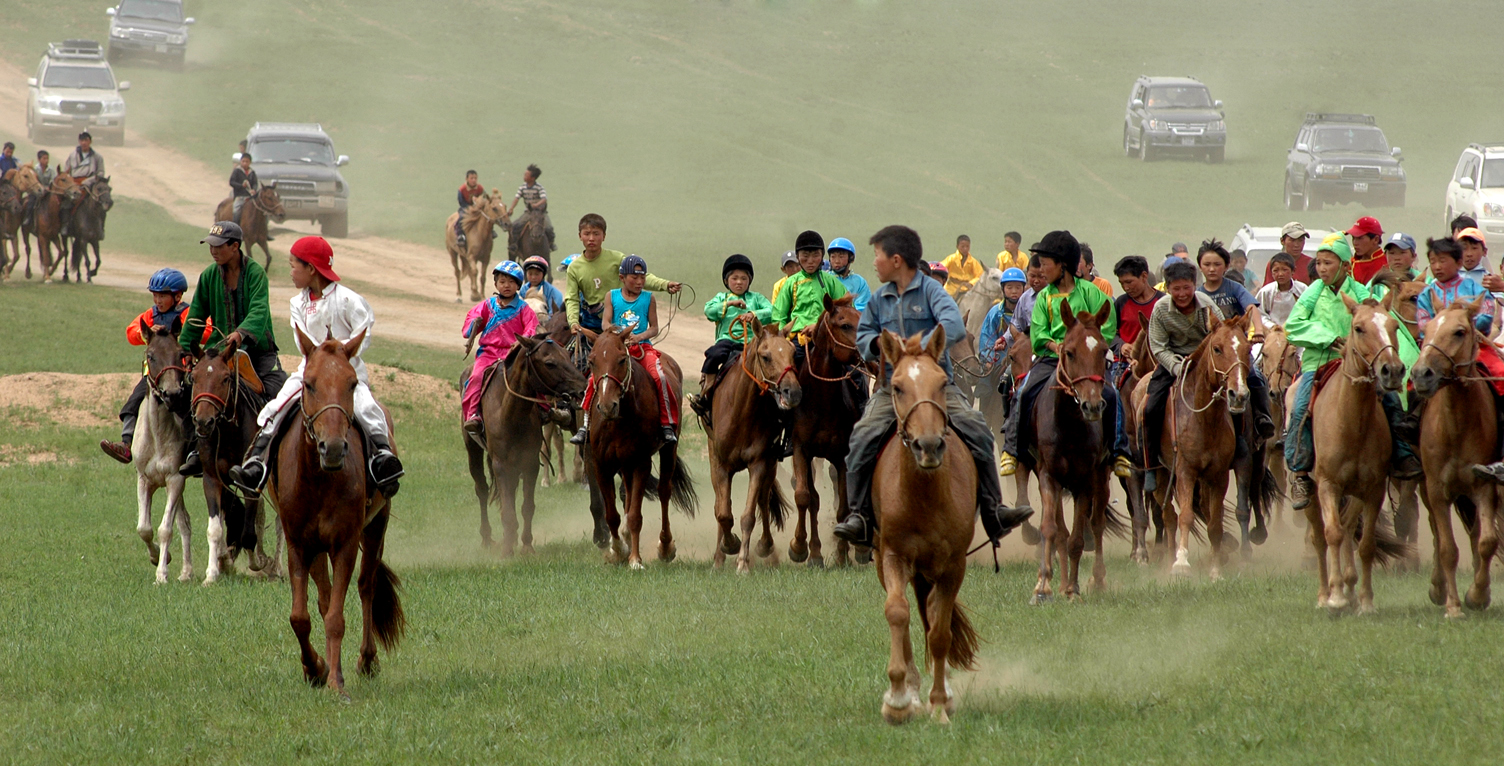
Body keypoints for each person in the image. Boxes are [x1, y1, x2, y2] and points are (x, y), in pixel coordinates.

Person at [831, 224, 1031, 549]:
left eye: (878, 256)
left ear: (896, 260)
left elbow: (952, 326)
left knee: (977, 429)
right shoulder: (879, 299)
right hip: (892, 390)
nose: (874, 263)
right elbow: (865, 335)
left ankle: (993, 511)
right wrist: (877, 346)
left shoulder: (931, 292)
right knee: (862, 437)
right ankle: (860, 517)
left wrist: (915, 346)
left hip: (939, 388)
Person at [229, 237, 404, 494]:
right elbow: (304, 344)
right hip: (309, 373)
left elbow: (364, 331)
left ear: (311, 269)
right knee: (275, 408)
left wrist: (341, 352)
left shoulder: (348, 299)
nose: (290, 273)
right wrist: (321, 358)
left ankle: (382, 458)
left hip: (345, 373)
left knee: (367, 407)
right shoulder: (297, 303)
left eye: (293, 266)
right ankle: (257, 464)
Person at [1283, 237, 1422, 509]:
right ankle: (1300, 473)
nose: (1321, 269)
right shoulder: (1314, 293)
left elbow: (1376, 315)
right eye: (1319, 263)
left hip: (1360, 363)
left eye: (1328, 262)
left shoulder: (1359, 292)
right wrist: (1329, 337)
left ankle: (1402, 455)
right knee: (1300, 408)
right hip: (1319, 362)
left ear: (1345, 265)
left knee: (1392, 401)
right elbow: (1293, 325)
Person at [998, 230, 1131, 479]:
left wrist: (1086, 345)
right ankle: (1012, 449)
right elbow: (1038, 333)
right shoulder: (1044, 297)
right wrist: (1055, 347)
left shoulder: (1091, 293)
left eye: (1046, 264)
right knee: (1025, 390)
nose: (1042, 270)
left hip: (1088, 360)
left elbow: (1108, 324)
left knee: (1112, 394)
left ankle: (1119, 451)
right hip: (1052, 359)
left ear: (1062, 265)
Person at [176, 222, 287, 476]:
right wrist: (185, 351)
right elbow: (196, 316)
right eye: (210, 246)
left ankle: (273, 450)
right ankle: (195, 449)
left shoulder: (257, 273)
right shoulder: (208, 276)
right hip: (219, 352)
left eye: (218, 246)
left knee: (277, 391)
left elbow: (259, 311)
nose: (213, 251)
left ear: (235, 246)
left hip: (258, 350)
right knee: (190, 390)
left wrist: (241, 332)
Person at [99, 269, 213, 464]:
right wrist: (146, 333)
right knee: (133, 402)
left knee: (188, 406)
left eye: (162, 296)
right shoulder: (151, 315)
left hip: (182, 373)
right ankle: (126, 443)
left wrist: (179, 333)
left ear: (177, 296)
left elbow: (207, 330)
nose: (158, 300)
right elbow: (131, 331)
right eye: (155, 296)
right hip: (154, 376)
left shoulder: (187, 313)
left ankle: (194, 451)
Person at [572, 255, 681, 445]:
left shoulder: (649, 298)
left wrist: (638, 337)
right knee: (593, 379)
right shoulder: (611, 296)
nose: (639, 282)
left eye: (642, 278)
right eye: (634, 278)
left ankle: (666, 424)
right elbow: (605, 321)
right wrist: (618, 334)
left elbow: (654, 328)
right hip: (616, 348)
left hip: (642, 347)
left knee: (660, 376)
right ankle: (586, 425)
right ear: (622, 278)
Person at [1140, 261, 1221, 487]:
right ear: (1167, 288)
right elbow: (1157, 346)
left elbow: (1221, 336)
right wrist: (1177, 366)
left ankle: (1243, 443)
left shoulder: (1207, 305)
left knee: (1239, 391)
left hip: (1206, 363)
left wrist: (1207, 361)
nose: (1182, 294)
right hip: (1173, 364)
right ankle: (1151, 464)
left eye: (1186, 288)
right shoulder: (1160, 310)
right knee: (1150, 407)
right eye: (1176, 289)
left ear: (1194, 286)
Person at [563, 213, 681, 341]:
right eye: (587, 234)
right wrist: (573, 322)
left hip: (620, 323)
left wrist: (665, 285)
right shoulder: (574, 268)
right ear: (580, 236)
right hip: (592, 326)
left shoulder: (617, 258)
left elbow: (639, 277)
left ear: (604, 236)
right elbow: (572, 299)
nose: (591, 238)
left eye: (596, 234)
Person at [460, 260, 539, 438]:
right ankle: (473, 414)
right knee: (476, 376)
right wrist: (474, 324)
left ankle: (544, 408)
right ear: (496, 283)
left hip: (514, 354)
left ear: (518, 285)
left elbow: (531, 328)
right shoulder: (487, 306)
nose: (507, 286)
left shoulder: (524, 309)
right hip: (489, 353)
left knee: (534, 375)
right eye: (502, 282)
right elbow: (472, 320)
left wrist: (522, 341)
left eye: (511, 282)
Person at [693, 253, 775, 418]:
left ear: (749, 281)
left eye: (744, 278)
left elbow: (772, 311)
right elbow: (709, 311)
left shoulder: (756, 298)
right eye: (735, 278)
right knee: (714, 354)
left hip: (753, 343)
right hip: (728, 341)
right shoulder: (721, 297)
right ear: (726, 281)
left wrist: (753, 313)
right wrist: (729, 304)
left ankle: (776, 400)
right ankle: (706, 391)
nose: (739, 282)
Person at [770, 230, 847, 337]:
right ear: (797, 257)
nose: (810, 261)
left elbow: (846, 311)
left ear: (822, 256)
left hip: (827, 336)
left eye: (815, 255)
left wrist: (820, 326)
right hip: (797, 338)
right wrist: (783, 339)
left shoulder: (831, 282)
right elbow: (778, 317)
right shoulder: (791, 283)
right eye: (805, 256)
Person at [1415, 236, 1494, 336]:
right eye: (1433, 262)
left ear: (1459, 263)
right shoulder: (1426, 294)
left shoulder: (1473, 288)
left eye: (1442, 261)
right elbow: (1423, 323)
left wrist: (1461, 328)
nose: (1437, 267)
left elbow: (1486, 314)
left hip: (1472, 342)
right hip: (1436, 345)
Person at [58, 132, 105, 238]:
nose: (84, 143)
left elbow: (101, 172)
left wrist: (89, 180)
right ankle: (65, 225)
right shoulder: (72, 155)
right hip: (74, 183)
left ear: (90, 142)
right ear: (79, 142)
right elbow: (67, 170)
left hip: (89, 185)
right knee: (66, 203)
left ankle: (100, 228)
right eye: (82, 141)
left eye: (86, 140)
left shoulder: (97, 157)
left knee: (100, 204)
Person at [1112, 255, 1163, 350]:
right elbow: (1110, 333)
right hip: (1124, 362)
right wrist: (1122, 346)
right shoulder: (1121, 303)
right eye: (1121, 283)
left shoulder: (1163, 303)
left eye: (1129, 282)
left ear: (1144, 276)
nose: (1125, 288)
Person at [979, 268, 1027, 365]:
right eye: (1009, 288)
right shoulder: (995, 313)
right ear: (1003, 289)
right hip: (999, 361)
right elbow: (986, 340)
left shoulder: (1029, 311)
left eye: (1018, 288)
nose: (1014, 291)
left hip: (1025, 359)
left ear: (1023, 289)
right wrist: (989, 360)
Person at [507, 163, 556, 255]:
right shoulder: (522, 187)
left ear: (532, 178)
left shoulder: (539, 187)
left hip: (540, 212)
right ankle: (514, 244)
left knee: (549, 227)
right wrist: (511, 208)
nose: (524, 176)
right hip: (529, 212)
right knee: (516, 226)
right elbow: (517, 198)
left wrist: (536, 205)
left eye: (526, 175)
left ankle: (551, 243)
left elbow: (544, 199)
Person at [1255, 253, 1308, 328]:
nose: (1280, 274)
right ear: (1271, 273)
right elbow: (1259, 313)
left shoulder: (1302, 289)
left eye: (1284, 270)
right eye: (1276, 271)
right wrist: (1272, 326)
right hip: (1272, 330)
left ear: (1293, 271)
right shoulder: (1266, 291)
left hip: (1296, 329)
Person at [1456, 227, 1504, 302]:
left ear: (1484, 252)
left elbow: (1499, 303)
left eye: (1474, 248)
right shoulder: (1451, 276)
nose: (1469, 254)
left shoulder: (1488, 280)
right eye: (1464, 248)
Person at [826, 237, 871, 312]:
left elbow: (864, 308)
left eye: (841, 257)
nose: (837, 261)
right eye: (833, 257)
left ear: (851, 258)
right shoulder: (825, 279)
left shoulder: (859, 282)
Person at [1347, 216, 1388, 284]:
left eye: (1360, 238)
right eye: (1353, 238)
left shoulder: (1388, 264)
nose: (1355, 243)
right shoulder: (1350, 264)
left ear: (1376, 239)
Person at [21, 150, 54, 230]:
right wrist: (40, 187)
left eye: (47, 158)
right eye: (44, 158)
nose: (46, 160)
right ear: (39, 159)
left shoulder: (51, 169)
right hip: (37, 190)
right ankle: (28, 218)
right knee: (31, 201)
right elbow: (34, 180)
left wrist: (49, 187)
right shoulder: (35, 169)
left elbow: (53, 180)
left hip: (48, 191)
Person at [454, 169, 486, 249]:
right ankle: (460, 235)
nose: (473, 180)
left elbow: (485, 198)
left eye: (475, 178)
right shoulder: (462, 189)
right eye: (471, 178)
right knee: (461, 218)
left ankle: (490, 232)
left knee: (486, 217)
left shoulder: (480, 188)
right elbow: (461, 202)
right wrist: (470, 208)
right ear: (467, 179)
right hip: (466, 208)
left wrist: (479, 201)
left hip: (478, 208)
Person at [228, 153, 259, 221]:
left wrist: (254, 189)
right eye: (243, 161)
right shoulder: (237, 171)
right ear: (241, 161)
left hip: (250, 197)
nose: (245, 163)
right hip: (240, 196)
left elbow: (255, 183)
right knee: (236, 211)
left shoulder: (252, 172)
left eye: (247, 161)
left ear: (250, 162)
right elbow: (231, 182)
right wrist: (241, 186)